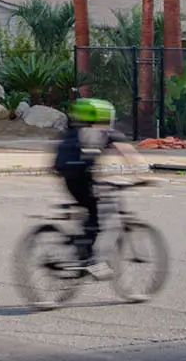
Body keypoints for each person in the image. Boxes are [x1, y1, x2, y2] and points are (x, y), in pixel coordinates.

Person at [53, 97, 133, 269]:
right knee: (95, 211)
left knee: (90, 208)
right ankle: (85, 253)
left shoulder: (74, 132)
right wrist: (143, 173)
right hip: (79, 179)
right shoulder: (98, 133)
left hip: (72, 178)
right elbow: (127, 151)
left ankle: (83, 244)